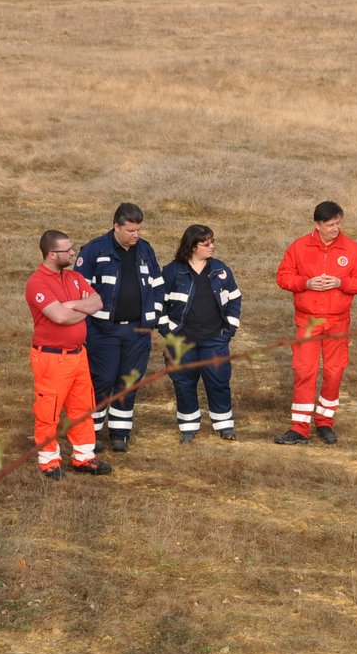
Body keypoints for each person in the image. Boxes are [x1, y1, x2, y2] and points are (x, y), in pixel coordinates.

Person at [274, 200, 357, 445]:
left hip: (338, 322)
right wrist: (305, 283)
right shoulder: (298, 247)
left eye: (338, 223)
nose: (335, 228)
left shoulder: (352, 249)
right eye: (330, 224)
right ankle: (299, 428)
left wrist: (342, 283)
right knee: (305, 371)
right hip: (308, 321)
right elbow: (283, 277)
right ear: (317, 224)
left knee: (334, 372)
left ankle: (325, 422)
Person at [75, 203, 165, 454]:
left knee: (129, 382)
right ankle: (89, 433)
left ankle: (120, 433)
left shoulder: (146, 250)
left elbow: (158, 285)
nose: (136, 235)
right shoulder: (94, 250)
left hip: (138, 331)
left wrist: (153, 314)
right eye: (131, 230)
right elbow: (79, 290)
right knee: (102, 381)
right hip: (104, 332)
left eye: (139, 230)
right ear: (116, 226)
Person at [26, 230, 112, 480]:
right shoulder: (37, 283)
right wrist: (80, 308)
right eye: (68, 250)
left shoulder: (74, 277)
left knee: (83, 408)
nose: (73, 253)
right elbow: (59, 317)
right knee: (48, 411)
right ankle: (48, 461)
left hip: (78, 355)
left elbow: (97, 302)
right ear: (52, 254)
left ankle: (84, 457)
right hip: (51, 359)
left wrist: (74, 306)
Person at [160, 225, 242, 444]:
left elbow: (235, 298)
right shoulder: (171, 271)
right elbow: (159, 303)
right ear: (192, 246)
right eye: (206, 243)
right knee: (184, 383)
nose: (212, 246)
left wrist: (230, 328)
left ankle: (224, 426)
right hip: (181, 340)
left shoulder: (221, 269)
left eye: (212, 241)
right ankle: (188, 428)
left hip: (215, 339)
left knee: (219, 382)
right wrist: (168, 331)